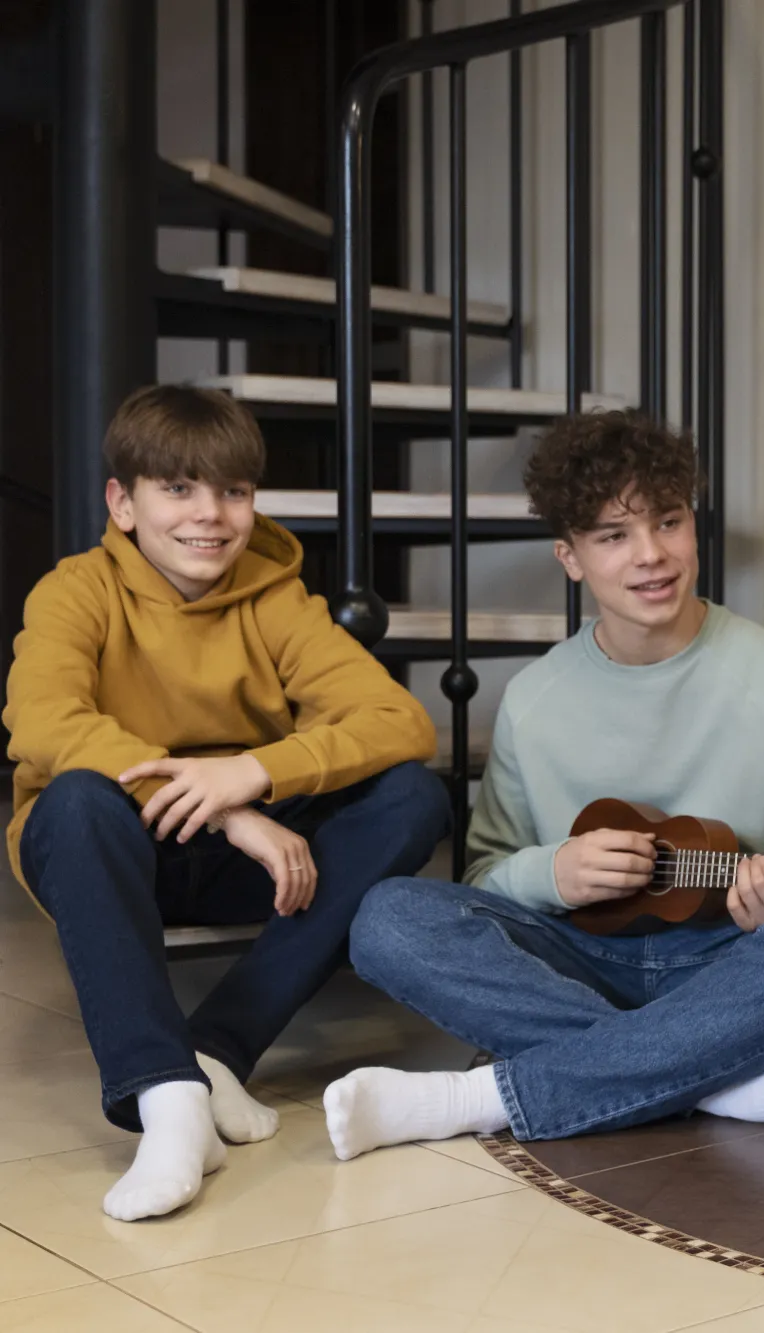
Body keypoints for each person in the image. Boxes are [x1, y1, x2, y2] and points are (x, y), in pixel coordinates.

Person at [326, 411, 764, 1159]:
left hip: (724, 961)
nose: (651, 555)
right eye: (613, 535)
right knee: (388, 918)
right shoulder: (534, 698)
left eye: (668, 521)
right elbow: (485, 875)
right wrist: (553, 869)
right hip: (579, 956)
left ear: (693, 526)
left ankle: (480, 1098)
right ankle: (722, 1080)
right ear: (571, 557)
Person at [3, 385, 449, 1222]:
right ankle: (164, 1097)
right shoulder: (74, 591)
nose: (211, 515)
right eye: (178, 488)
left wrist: (253, 773)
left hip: (254, 853)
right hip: (114, 848)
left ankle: (214, 1052)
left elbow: (401, 720)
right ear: (122, 503)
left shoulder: (275, 596)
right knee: (72, 801)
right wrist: (220, 804)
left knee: (411, 797)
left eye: (233, 491)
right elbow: (42, 721)